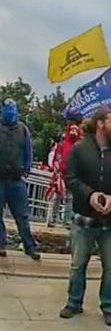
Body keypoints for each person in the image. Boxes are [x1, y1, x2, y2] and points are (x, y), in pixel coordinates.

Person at [60, 107, 111, 326]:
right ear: (101, 124)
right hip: (84, 219)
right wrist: (90, 195)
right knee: (77, 265)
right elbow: (71, 178)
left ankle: (109, 307)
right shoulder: (79, 149)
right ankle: (74, 302)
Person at [0, 98, 40, 261]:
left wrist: (26, 170)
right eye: (7, 109)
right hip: (0, 179)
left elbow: (28, 151)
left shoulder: (23, 129)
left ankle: (29, 247)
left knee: (22, 216)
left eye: (13, 109)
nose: (10, 112)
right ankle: (1, 244)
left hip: (17, 180)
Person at [46, 118, 82, 227]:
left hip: (72, 175)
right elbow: (56, 157)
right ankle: (53, 219)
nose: (73, 133)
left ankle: (67, 221)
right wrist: (56, 168)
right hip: (61, 175)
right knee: (57, 197)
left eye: (76, 130)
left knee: (69, 198)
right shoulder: (62, 144)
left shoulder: (79, 146)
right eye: (72, 130)